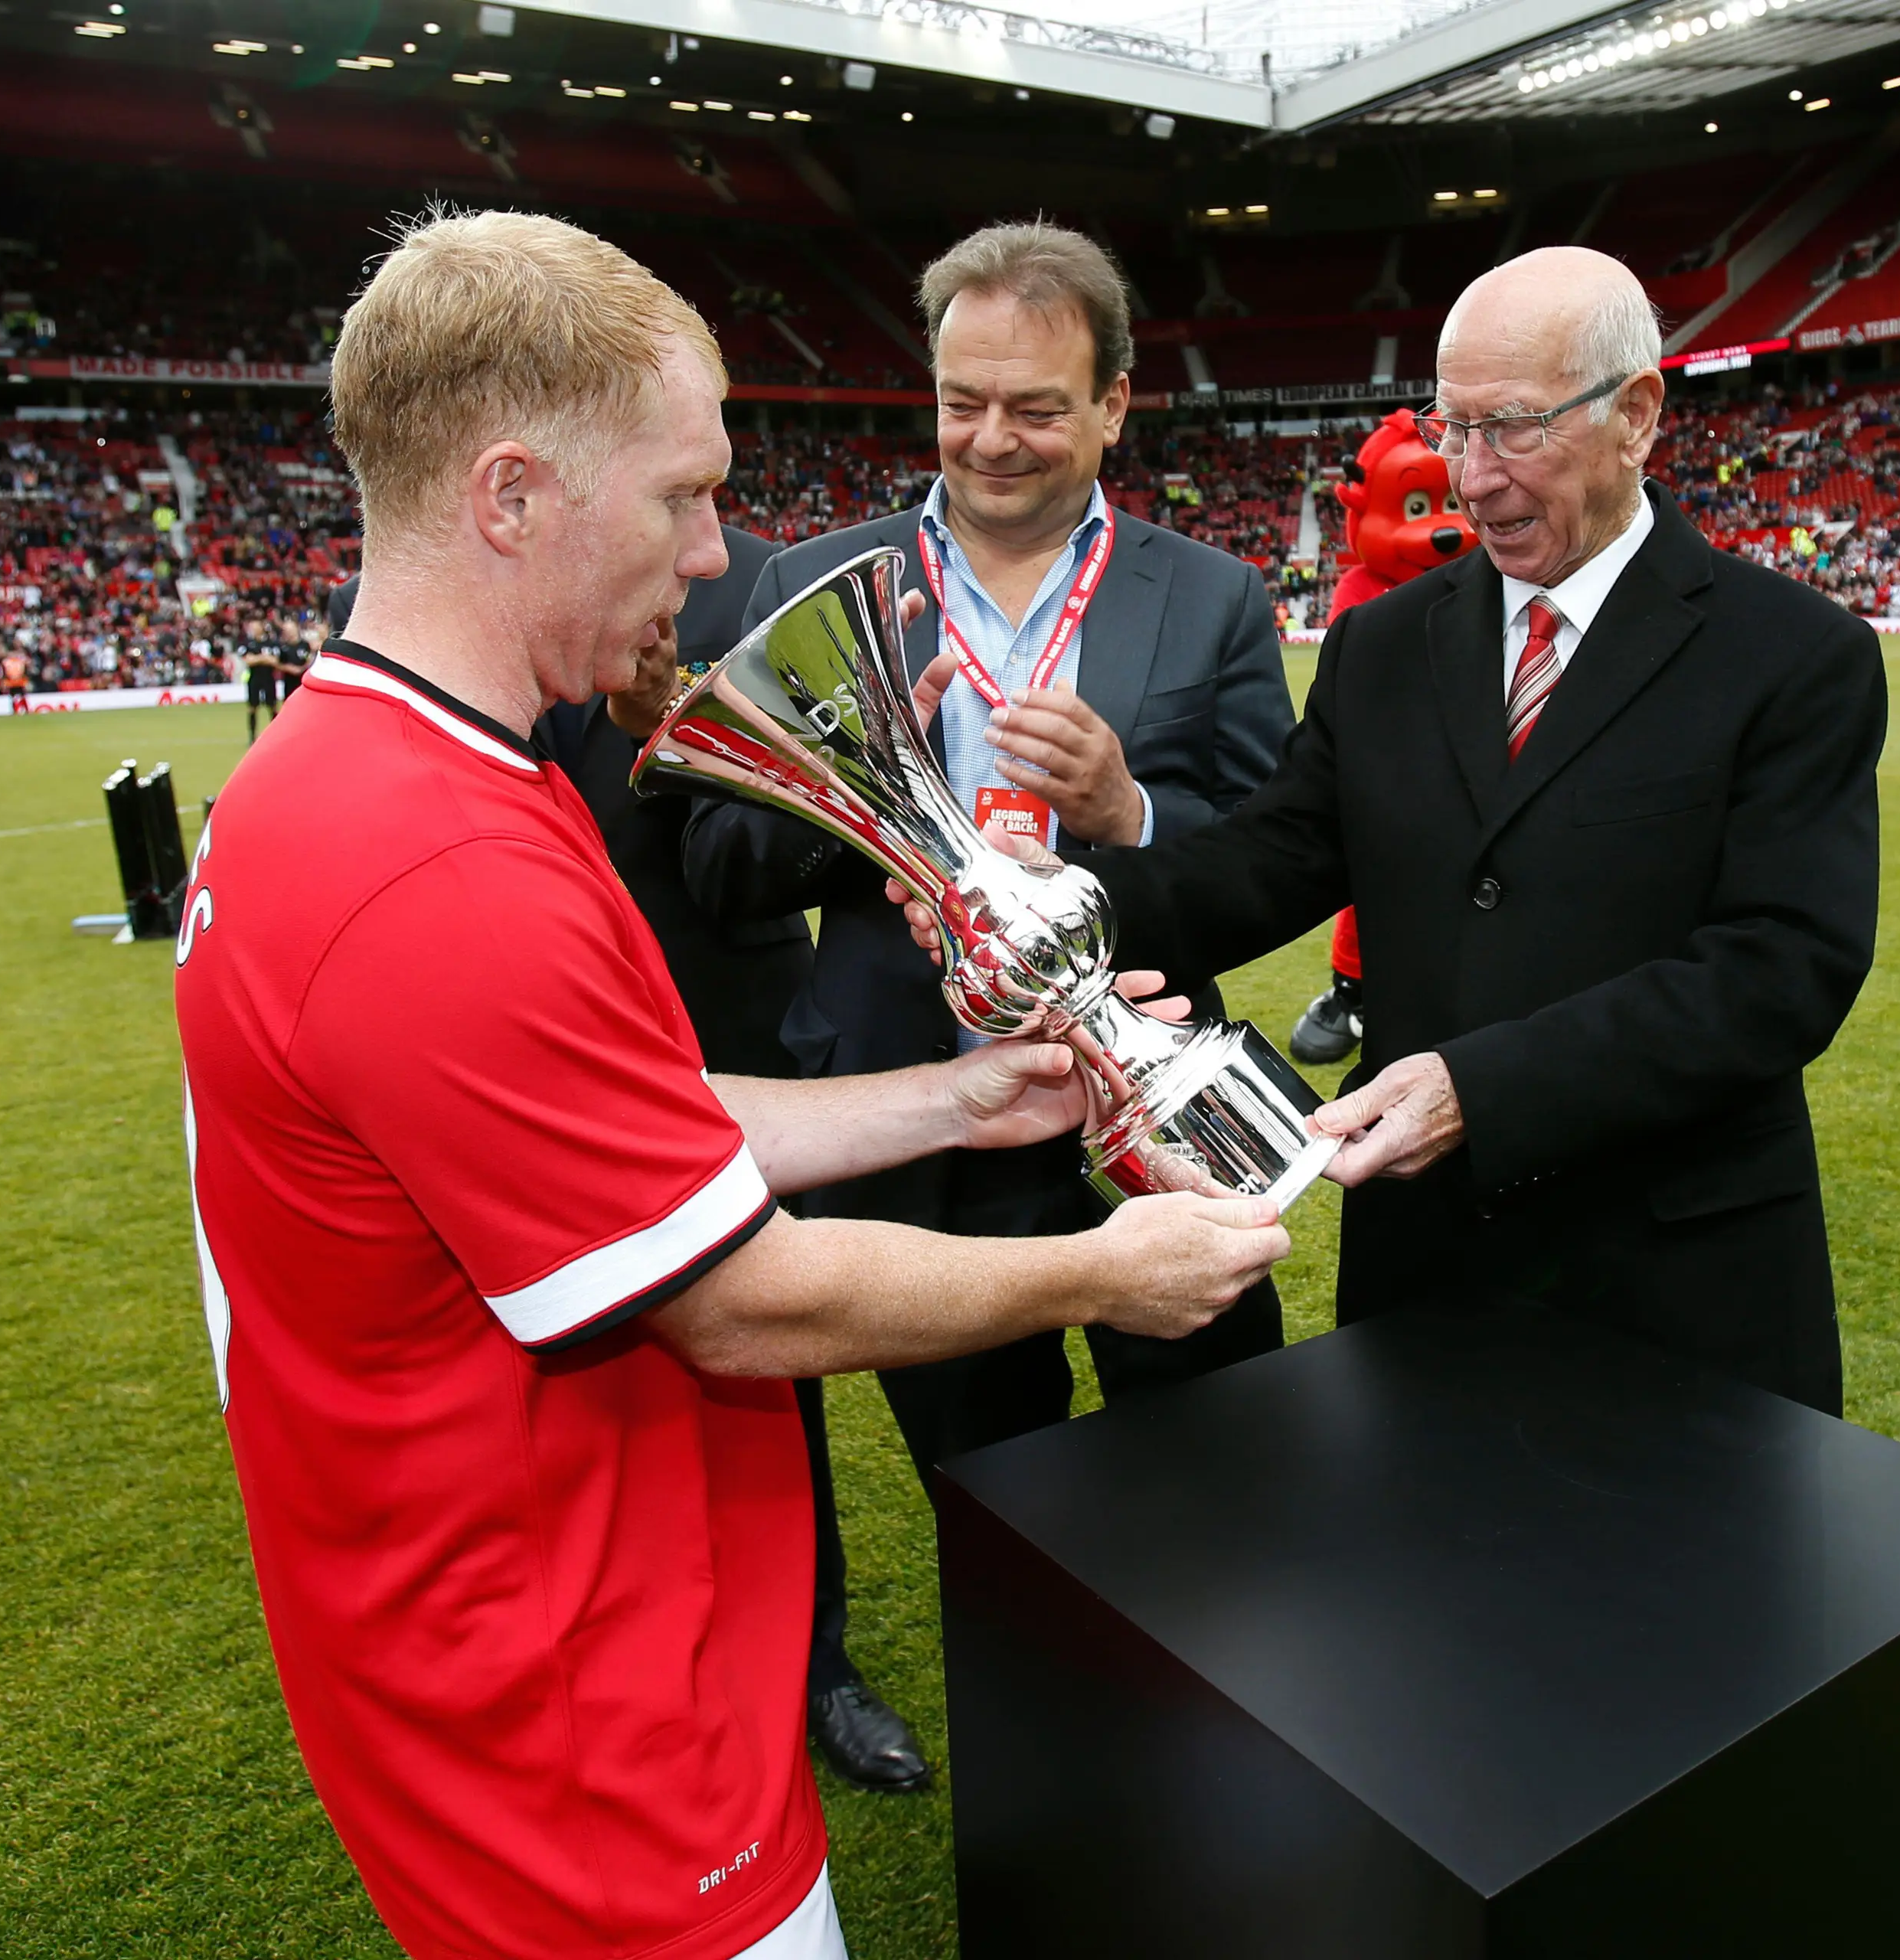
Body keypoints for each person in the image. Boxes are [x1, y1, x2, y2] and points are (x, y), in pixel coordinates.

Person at [173, 208, 1288, 1960]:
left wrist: (951, 1102)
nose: (714, 556)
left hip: (551, 1649)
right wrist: (1101, 1271)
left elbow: (636, 1116)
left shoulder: (390, 778)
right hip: (575, 1721)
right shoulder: (425, 865)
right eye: (686, 495)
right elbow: (731, 1302)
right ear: (516, 495)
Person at [909, 245, 1885, 1415]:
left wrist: (1482, 1087)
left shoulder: (1793, 655)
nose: (1471, 477)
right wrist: (1055, 909)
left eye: (1513, 428)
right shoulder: (1385, 646)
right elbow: (1270, 859)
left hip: (1679, 1273)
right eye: (1450, 427)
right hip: (1425, 1267)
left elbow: (1782, 971)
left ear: (1637, 416)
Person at [328, 534, 936, 1794]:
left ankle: (813, 1662)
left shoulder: (755, 578)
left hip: (727, 1014)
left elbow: (797, 847)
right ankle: (619, 1663)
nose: (703, 523)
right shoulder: (414, 598)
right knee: (573, 1390)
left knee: (769, 1376)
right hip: (516, 1037)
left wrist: (714, 734)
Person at [730, 220, 1297, 1485]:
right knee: (987, 1485)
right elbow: (726, 865)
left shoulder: (1212, 595)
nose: (991, 439)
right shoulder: (822, 581)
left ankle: (1209, 1679)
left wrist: (1126, 812)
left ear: (1113, 406)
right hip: (913, 1117)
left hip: (1145, 1105)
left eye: (1036, 408)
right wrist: (860, 821)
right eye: (961, 401)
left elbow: (1282, 855)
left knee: (1217, 1460)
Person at [1285, 408, 1478, 1066]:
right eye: (1420, 504)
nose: (1441, 527)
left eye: (1449, 502)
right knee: (1366, 885)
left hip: (1475, 777)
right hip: (1392, 777)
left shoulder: (1503, 580)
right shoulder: (1362, 590)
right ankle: (1352, 992)